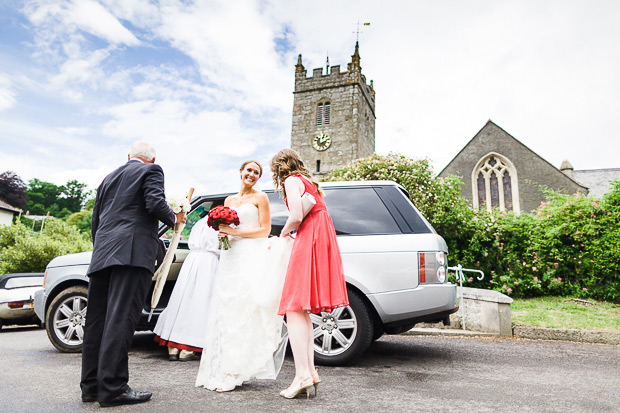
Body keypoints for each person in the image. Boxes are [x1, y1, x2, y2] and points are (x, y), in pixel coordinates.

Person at [80, 142, 187, 408]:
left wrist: (102, 250)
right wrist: (175, 218)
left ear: (129, 157)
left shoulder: (108, 178)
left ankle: (91, 387)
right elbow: (153, 202)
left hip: (103, 254)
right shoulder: (152, 171)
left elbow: (97, 219)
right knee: (121, 320)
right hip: (132, 254)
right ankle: (113, 388)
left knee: (96, 322)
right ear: (153, 160)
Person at [195, 160, 289, 392]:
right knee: (226, 309)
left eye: (256, 173)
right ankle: (224, 366)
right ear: (240, 172)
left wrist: (236, 232)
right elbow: (224, 229)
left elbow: (265, 230)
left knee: (243, 310)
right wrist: (222, 234)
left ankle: (234, 371)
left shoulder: (261, 198)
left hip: (249, 256)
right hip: (230, 257)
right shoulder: (229, 201)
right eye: (249, 170)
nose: (252, 175)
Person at [270, 149, 349, 399]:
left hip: (310, 238)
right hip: (321, 235)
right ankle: (310, 373)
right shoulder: (309, 182)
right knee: (300, 308)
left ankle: (302, 375)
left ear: (280, 168)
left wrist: (283, 234)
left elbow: (295, 216)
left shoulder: (292, 180)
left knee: (294, 306)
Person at [153, 211, 220, 361]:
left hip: (192, 261)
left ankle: (173, 348)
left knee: (183, 300)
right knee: (201, 302)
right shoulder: (219, 224)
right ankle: (187, 348)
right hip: (209, 263)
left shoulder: (200, 223)